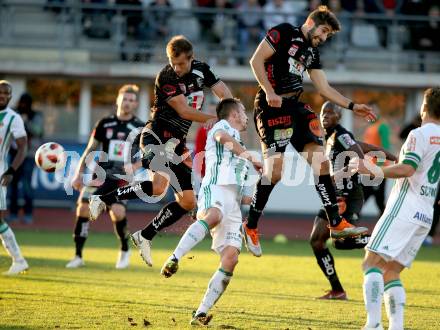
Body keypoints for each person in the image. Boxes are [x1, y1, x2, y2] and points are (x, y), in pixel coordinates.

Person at [242, 5, 377, 257]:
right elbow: (256, 60)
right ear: (311, 22)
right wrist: (269, 91)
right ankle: (250, 225)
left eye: (328, 35)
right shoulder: (283, 32)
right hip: (270, 107)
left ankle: (335, 222)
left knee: (321, 163)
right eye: (324, 31)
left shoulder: (312, 53)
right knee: (276, 171)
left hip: (295, 107)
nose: (324, 38)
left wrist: (352, 105)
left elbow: (324, 88)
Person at [88, 35, 233, 267]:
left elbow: (224, 93)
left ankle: (144, 236)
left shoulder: (202, 70)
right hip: (156, 136)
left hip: (176, 143)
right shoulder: (166, 76)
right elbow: (185, 112)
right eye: (172, 62)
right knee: (157, 188)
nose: (176, 68)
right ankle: (102, 198)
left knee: (187, 201)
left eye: (181, 63)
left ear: (191, 58)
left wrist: (232, 111)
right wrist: (217, 119)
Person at [160, 98, 262, 325]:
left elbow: (245, 196)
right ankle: (174, 258)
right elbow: (221, 139)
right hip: (214, 189)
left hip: (233, 204)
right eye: (244, 111)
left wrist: (257, 194)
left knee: (231, 258)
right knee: (213, 216)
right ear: (234, 113)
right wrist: (249, 156)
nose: (247, 116)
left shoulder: (241, 147)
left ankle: (200, 313)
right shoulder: (222, 126)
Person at [351, 87, 440, 330]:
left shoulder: (418, 134)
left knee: (371, 264)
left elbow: (407, 169)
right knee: (391, 272)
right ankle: (396, 327)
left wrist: (371, 170)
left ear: (423, 108)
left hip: (406, 206)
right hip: (426, 213)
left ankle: (373, 324)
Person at [311, 102, 397, 300]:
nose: (325, 117)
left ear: (339, 117)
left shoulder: (341, 134)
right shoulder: (331, 137)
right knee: (316, 241)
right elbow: (367, 147)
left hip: (349, 197)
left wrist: (335, 176)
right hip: (335, 197)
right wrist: (396, 158)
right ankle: (338, 290)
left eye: (331, 113)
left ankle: (381, 242)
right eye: (323, 113)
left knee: (341, 243)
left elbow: (358, 159)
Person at [66, 84, 145, 269]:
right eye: (125, 99)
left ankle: (125, 250)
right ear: (118, 100)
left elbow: (151, 155)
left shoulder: (140, 127)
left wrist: (136, 165)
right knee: (83, 208)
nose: (127, 103)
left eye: (131, 101)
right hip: (99, 174)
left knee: (118, 212)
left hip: (121, 178)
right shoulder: (104, 123)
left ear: (135, 105)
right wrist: (78, 173)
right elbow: (90, 148)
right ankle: (78, 256)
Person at [0, 80, 29, 275]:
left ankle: (18, 260)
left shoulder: (13, 118)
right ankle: (18, 260)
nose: (3, 96)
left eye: (6, 93)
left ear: (10, 96)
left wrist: (11, 170)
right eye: (0, 92)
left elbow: (22, 147)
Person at [8, 93, 44, 224]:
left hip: (29, 155)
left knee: (27, 185)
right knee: (13, 184)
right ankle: (13, 213)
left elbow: (38, 131)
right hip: (14, 153)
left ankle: (28, 214)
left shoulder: (36, 116)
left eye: (25, 103)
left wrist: (26, 121)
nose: (22, 106)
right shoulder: (13, 114)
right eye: (20, 103)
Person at [362, 111, 391, 216]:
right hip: (368, 169)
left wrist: (379, 168)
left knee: (374, 197)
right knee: (367, 196)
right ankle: (352, 218)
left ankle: (351, 218)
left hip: (378, 169)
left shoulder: (382, 127)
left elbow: (385, 146)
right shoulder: (370, 128)